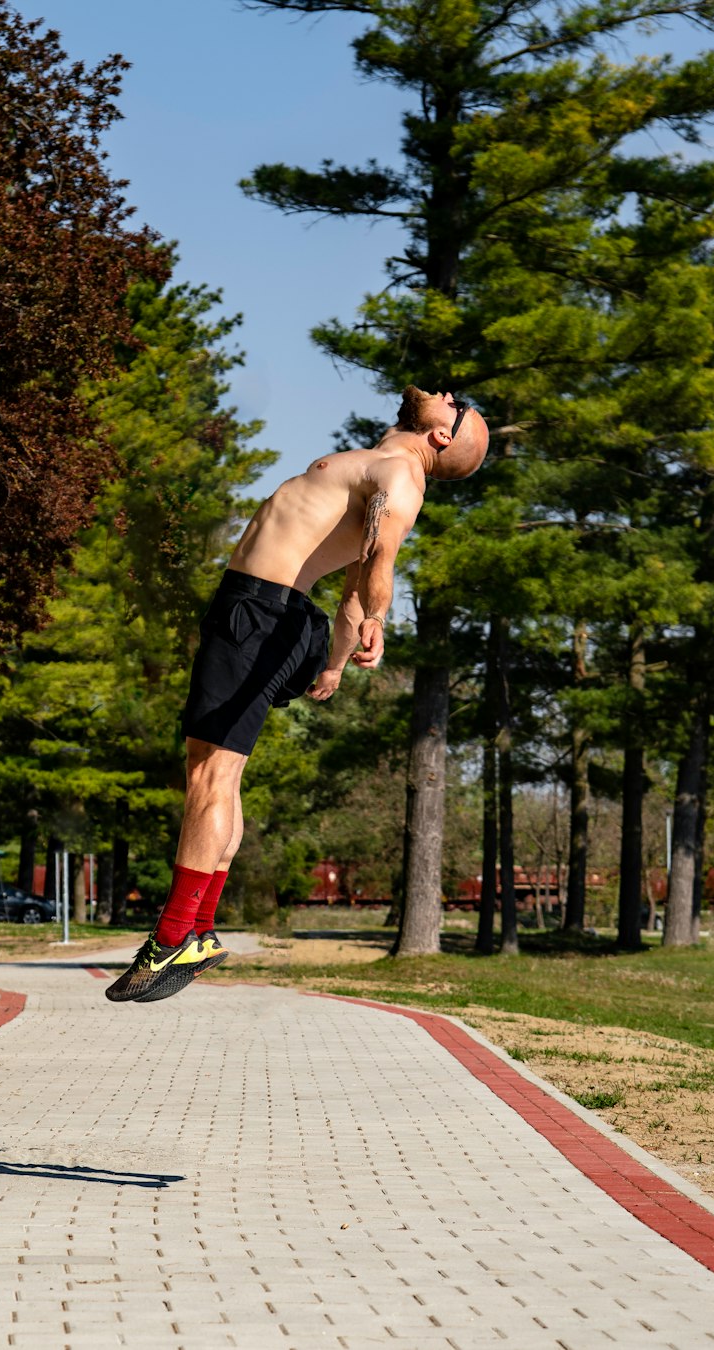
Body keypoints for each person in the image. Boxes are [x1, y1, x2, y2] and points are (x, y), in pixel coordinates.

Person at [106, 386, 489, 1003]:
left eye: (457, 402)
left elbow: (378, 561)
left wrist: (375, 624)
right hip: (263, 614)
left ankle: (173, 936)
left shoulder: (399, 472)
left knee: (209, 777)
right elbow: (356, 575)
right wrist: (335, 662)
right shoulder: (378, 462)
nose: (447, 393)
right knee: (219, 780)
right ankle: (197, 931)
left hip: (260, 615)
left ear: (442, 436)